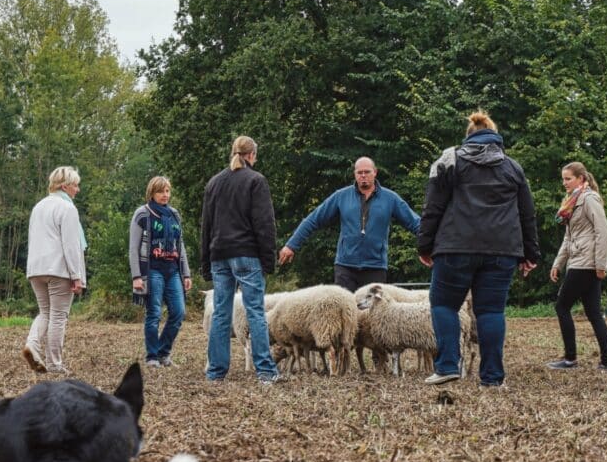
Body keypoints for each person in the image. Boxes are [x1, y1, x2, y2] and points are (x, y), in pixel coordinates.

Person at [417, 110, 540, 387]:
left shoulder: (450, 160)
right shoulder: (512, 167)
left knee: (444, 304)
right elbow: (527, 213)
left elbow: (433, 207)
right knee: (491, 312)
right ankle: (493, 376)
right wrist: (531, 253)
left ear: (468, 136)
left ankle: (448, 364)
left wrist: (425, 244)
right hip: (502, 250)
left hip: (455, 246)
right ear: (495, 137)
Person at [201, 135, 280, 383]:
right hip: (246, 254)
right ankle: (265, 370)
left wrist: (206, 261)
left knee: (221, 313)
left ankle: (215, 371)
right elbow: (264, 224)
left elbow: (207, 226)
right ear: (252, 155)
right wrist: (269, 259)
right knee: (255, 310)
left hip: (219, 254)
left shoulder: (214, 183)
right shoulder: (256, 181)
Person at [278, 157, 420, 292]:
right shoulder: (341, 196)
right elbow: (314, 219)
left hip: (375, 267)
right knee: (344, 314)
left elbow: (415, 223)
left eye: (367, 172)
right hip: (345, 267)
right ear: (355, 174)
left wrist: (432, 245)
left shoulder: (390, 199)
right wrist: (291, 245)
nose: (363, 175)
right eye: (359, 172)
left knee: (372, 315)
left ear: (375, 172)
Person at [547, 162, 607, 371]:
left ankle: (570, 358)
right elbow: (569, 238)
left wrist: (601, 264)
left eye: (568, 179)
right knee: (593, 312)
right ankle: (606, 361)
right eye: (563, 179)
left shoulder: (589, 199)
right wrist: (558, 263)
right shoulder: (571, 203)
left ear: (581, 179)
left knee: (562, 306)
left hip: (586, 263)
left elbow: (603, 232)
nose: (564, 183)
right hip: (578, 261)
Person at [22, 166, 87, 374]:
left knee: (45, 312)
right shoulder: (67, 209)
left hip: (36, 268)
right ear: (64, 186)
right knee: (59, 315)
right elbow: (71, 245)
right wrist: (76, 276)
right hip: (58, 269)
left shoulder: (39, 206)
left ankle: (32, 344)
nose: (77, 190)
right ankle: (54, 364)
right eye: (75, 185)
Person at [129, 176, 192, 368]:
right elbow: (133, 247)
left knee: (178, 312)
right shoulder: (142, 214)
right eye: (160, 191)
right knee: (154, 313)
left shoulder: (174, 215)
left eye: (167, 191)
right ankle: (152, 356)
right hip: (152, 269)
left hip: (172, 270)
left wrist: (186, 273)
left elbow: (180, 246)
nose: (165, 195)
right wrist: (136, 276)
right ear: (152, 193)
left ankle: (164, 352)